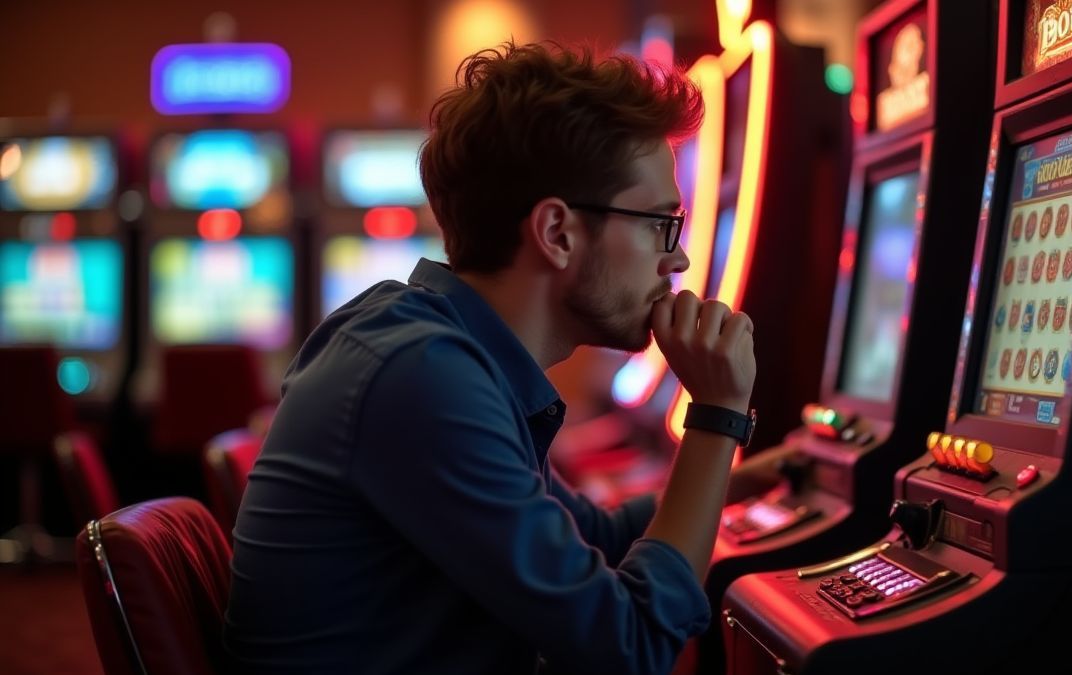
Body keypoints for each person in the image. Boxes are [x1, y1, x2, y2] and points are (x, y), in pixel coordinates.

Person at [224, 40, 757, 675]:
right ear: (557, 233)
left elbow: (593, 537)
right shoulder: (419, 375)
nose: (680, 259)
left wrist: (761, 483)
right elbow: (629, 646)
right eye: (659, 224)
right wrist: (717, 416)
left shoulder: (438, 349)